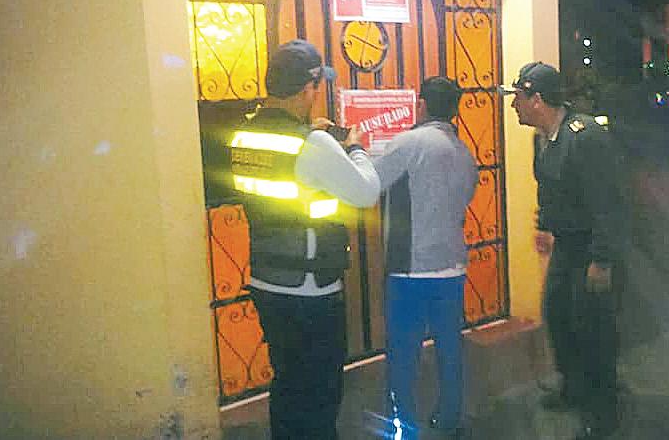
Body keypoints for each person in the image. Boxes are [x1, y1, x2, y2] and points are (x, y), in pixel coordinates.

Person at [231, 39, 381, 440]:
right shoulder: (313, 144)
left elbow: (287, 174)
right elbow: (366, 192)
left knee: (287, 384)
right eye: (317, 86)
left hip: (268, 283)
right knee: (319, 395)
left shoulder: (244, 136)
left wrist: (314, 137)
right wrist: (355, 149)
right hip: (310, 290)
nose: (318, 94)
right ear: (306, 88)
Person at [499, 62, 629, 439]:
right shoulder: (542, 138)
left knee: (594, 330)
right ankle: (573, 388)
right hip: (568, 245)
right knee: (558, 315)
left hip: (592, 246)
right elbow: (549, 188)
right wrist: (544, 224)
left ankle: (603, 412)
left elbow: (608, 202)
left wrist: (601, 260)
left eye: (518, 98)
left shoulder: (584, 137)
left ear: (537, 100)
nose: (514, 106)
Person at [373, 76, 478, 438]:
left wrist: (354, 148)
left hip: (411, 269)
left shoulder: (408, 143)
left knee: (403, 356)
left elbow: (369, 181)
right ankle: (450, 419)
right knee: (450, 350)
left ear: (421, 105)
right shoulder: (463, 152)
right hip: (452, 266)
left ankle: (403, 430)